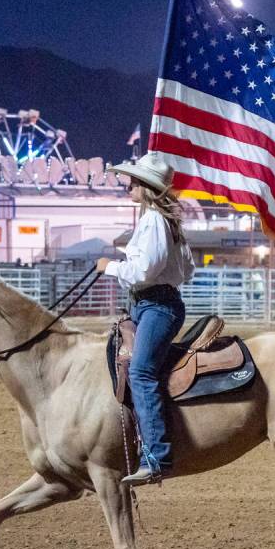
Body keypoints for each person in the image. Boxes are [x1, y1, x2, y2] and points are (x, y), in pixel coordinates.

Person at [96, 153, 195, 487]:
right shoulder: (163, 221)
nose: (129, 185)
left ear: (148, 188)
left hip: (156, 307)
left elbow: (143, 271)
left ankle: (156, 456)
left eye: (135, 181)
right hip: (152, 304)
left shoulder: (153, 220)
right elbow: (187, 270)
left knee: (140, 371)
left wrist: (110, 267)